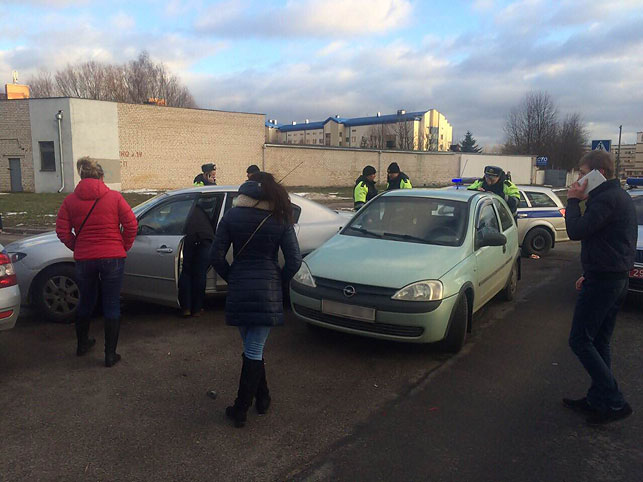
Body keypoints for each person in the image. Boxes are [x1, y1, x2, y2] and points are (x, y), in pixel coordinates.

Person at [211, 172, 302, 428]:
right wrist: (278, 282)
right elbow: (294, 260)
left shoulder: (231, 216)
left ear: (245, 193)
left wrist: (232, 276)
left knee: (252, 349)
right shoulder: (281, 218)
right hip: (267, 290)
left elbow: (215, 255)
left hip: (240, 286)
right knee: (254, 350)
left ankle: (252, 403)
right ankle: (250, 404)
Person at [563, 150, 637, 425]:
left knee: (580, 340)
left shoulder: (607, 199)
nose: (579, 179)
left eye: (583, 174)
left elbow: (577, 231)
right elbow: (608, 241)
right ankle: (598, 400)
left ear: (598, 174)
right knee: (600, 341)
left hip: (606, 281)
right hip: (611, 276)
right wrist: (589, 271)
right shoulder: (614, 197)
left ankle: (614, 400)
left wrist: (572, 201)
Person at [56, 157, 137, 367]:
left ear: (81, 177)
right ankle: (110, 355)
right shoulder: (115, 198)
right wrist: (123, 246)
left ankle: (82, 344)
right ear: (101, 177)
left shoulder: (70, 201)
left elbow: (62, 231)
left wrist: (77, 246)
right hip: (113, 257)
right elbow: (131, 225)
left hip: (85, 259)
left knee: (86, 301)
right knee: (111, 304)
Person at [178, 197, 215, 317]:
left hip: (190, 239)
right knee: (200, 273)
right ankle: (198, 309)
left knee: (187, 272)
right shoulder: (204, 210)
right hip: (205, 239)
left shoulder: (185, 210)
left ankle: (186, 308)